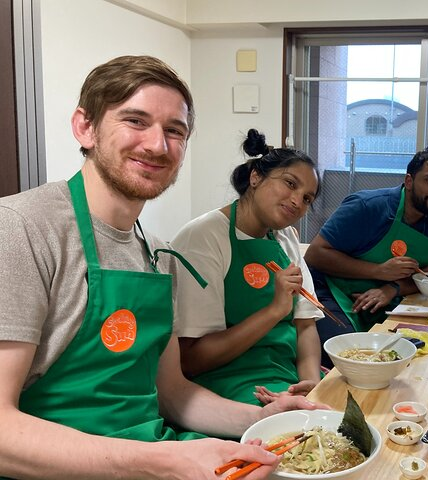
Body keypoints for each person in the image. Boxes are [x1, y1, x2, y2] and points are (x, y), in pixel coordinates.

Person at [0, 56, 325, 480]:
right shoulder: (22, 227)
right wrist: (163, 462)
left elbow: (173, 393)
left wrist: (261, 419)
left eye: (175, 131)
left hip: (150, 450)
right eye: (135, 121)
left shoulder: (157, 254)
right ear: (85, 127)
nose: (158, 145)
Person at [172, 129, 323, 407]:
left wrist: (310, 386)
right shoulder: (203, 238)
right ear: (255, 177)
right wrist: (275, 310)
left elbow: (305, 325)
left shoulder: (285, 237)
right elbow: (192, 360)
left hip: (285, 376)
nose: (297, 201)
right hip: (223, 385)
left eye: (307, 199)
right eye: (290, 184)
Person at [304, 146, 428, 368]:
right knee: (348, 358)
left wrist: (392, 288)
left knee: (414, 353)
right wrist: (378, 271)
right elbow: (314, 255)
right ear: (409, 181)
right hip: (329, 291)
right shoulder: (367, 207)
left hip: (380, 297)